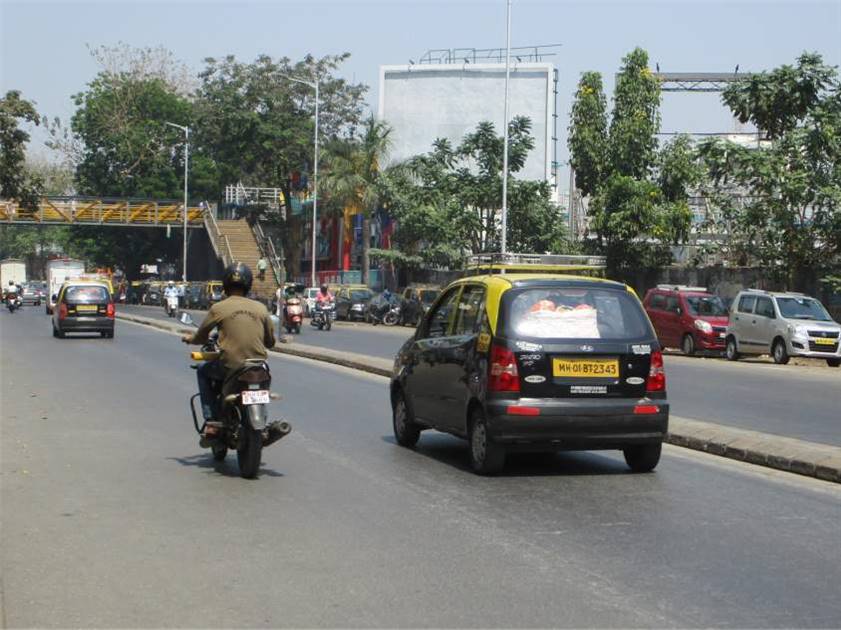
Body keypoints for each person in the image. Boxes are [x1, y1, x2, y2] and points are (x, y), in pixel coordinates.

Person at [182, 263, 276, 426]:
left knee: (203, 371)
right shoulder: (261, 308)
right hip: (259, 366)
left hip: (230, 367)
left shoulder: (218, 308)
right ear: (248, 284)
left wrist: (191, 339)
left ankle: (211, 419)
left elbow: (201, 337)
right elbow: (270, 342)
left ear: (225, 284)